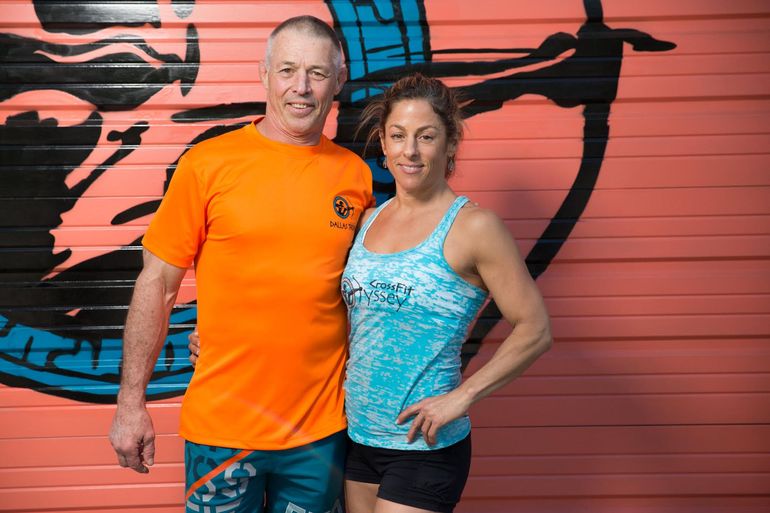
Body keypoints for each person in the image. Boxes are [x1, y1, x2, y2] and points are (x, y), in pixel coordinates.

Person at [109, 15, 374, 513]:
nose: (301, 87)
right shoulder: (207, 164)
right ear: (264, 74)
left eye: (317, 73)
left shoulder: (355, 175)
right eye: (288, 70)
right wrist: (130, 405)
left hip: (320, 431)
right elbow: (158, 283)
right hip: (224, 430)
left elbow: (358, 293)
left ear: (339, 81)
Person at [340, 74, 552, 513]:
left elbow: (535, 329)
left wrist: (462, 397)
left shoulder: (474, 227)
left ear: (450, 143)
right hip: (358, 438)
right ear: (383, 142)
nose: (410, 151)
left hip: (425, 448)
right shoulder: (367, 222)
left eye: (426, 136)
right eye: (398, 136)